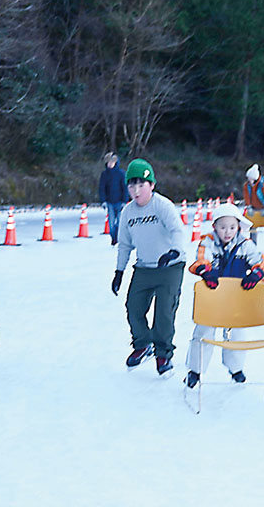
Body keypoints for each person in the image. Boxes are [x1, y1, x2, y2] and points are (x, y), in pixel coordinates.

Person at [111, 158, 185, 376]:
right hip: (144, 267)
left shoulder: (162, 206)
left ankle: (163, 353)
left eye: (141, 185)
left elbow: (177, 231)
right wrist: (119, 272)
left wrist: (174, 251)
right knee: (133, 307)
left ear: (151, 185)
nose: (136, 191)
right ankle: (143, 344)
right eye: (131, 185)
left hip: (170, 266)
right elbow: (124, 244)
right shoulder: (128, 212)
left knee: (163, 313)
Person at [184, 202, 264, 388]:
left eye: (232, 227)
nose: (227, 232)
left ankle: (235, 368)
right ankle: (195, 371)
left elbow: (260, 262)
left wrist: (256, 274)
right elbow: (201, 260)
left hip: (236, 298)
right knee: (203, 333)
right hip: (213, 297)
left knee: (236, 334)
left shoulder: (245, 245)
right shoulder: (207, 242)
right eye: (223, 227)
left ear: (238, 227)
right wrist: (207, 271)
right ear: (214, 226)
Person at [99, 152, 130, 246]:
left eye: (111, 162)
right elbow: (102, 188)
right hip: (110, 202)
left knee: (120, 222)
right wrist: (103, 200)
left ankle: (119, 238)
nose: (110, 164)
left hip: (120, 202)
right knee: (111, 224)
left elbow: (125, 188)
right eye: (108, 162)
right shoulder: (104, 174)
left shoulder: (121, 173)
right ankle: (114, 238)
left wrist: (124, 201)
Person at [243, 163, 264, 248]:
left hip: (263, 208)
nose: (249, 179)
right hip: (253, 208)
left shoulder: (262, 185)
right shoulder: (247, 186)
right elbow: (246, 196)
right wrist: (248, 206)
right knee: (253, 227)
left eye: (250, 177)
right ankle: (253, 245)